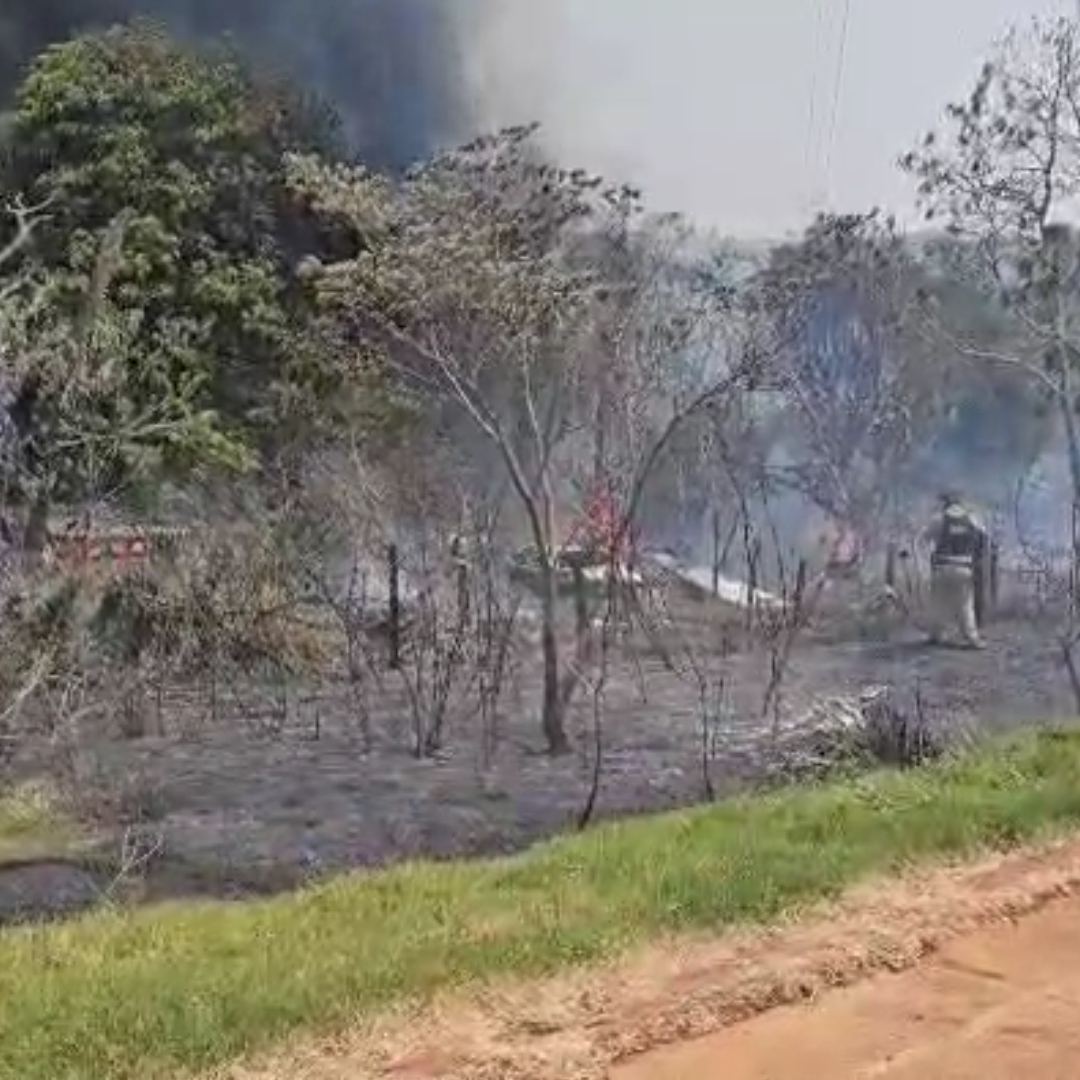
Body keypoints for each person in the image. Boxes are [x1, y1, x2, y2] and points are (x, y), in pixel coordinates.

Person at [922, 491, 988, 649]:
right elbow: (984, 538)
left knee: (938, 603)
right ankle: (972, 638)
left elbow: (925, 538)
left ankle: (936, 635)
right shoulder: (972, 519)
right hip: (964, 568)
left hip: (942, 567)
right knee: (965, 605)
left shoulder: (939, 519)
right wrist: (977, 557)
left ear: (946, 503)